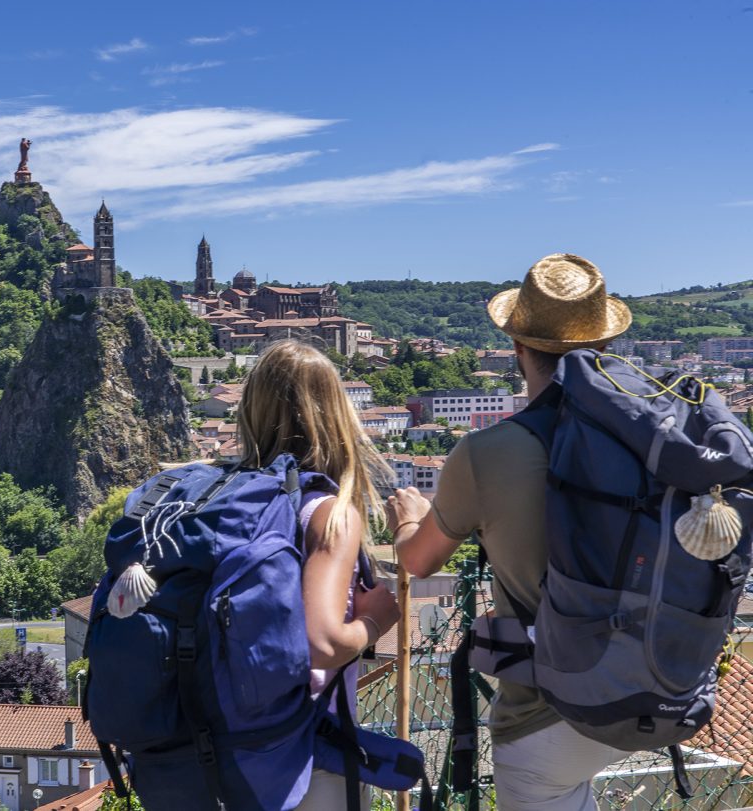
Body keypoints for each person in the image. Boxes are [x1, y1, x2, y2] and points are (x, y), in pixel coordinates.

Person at [387, 253, 632, 810]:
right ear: (603, 348)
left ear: (519, 351)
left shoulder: (488, 453)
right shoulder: (653, 437)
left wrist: (405, 518)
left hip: (548, 708)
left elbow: (418, 561)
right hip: (655, 683)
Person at [235, 339, 401, 808]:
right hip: (302, 756)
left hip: (220, 748)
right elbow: (322, 645)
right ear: (335, 415)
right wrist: (375, 621)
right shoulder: (328, 513)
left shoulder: (226, 501)